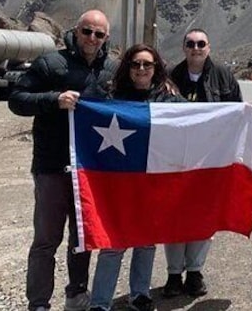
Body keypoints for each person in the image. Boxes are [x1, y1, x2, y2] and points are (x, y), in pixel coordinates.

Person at [9, 10, 118, 311]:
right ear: (76, 30)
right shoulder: (50, 62)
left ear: (106, 38)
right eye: (87, 31)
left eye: (99, 34)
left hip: (89, 169)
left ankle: (76, 295)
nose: (92, 39)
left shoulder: (111, 70)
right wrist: (52, 100)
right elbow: (16, 100)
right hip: (51, 166)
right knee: (46, 239)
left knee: (81, 237)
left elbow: (131, 104)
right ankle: (39, 303)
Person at [88, 44, 184, 311]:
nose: (141, 69)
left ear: (156, 68)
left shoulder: (169, 98)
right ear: (128, 67)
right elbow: (86, 113)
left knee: (146, 239)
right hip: (118, 181)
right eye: (136, 64)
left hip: (153, 180)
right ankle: (100, 302)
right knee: (114, 242)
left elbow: (193, 120)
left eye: (147, 64)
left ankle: (140, 294)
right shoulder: (110, 95)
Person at [162, 28, 243, 298]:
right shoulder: (170, 77)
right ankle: (174, 275)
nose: (196, 48)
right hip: (176, 160)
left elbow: (236, 114)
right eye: (190, 44)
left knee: (203, 218)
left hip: (210, 161)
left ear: (209, 47)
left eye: (201, 44)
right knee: (173, 217)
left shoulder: (224, 76)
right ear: (184, 48)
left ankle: (195, 272)